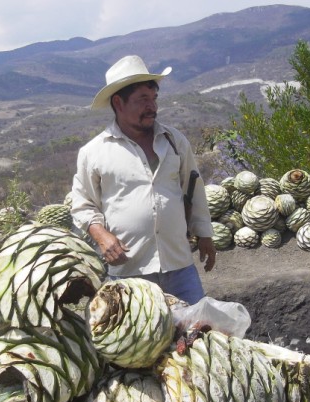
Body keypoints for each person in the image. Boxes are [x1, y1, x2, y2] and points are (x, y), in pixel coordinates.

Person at [70, 55, 216, 304]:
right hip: (129, 274)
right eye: (143, 100)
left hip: (179, 266)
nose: (153, 107)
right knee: (141, 342)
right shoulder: (94, 152)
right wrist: (102, 236)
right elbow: (83, 205)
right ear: (118, 102)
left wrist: (205, 234)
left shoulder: (175, 141)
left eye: (154, 98)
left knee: (196, 333)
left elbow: (193, 186)